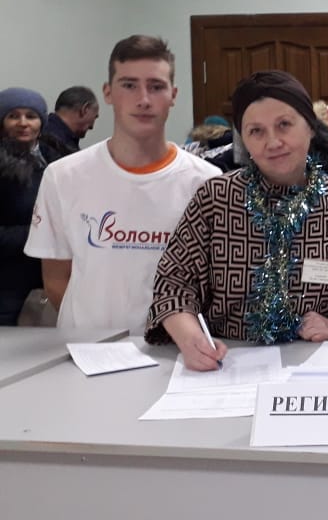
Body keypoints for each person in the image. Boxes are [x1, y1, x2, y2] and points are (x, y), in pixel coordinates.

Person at [146, 71, 328, 370]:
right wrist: (190, 338)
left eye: (284, 125)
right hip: (229, 364)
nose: (273, 142)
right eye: (256, 131)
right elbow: (173, 284)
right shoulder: (216, 198)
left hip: (319, 364)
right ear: (244, 140)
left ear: (310, 127)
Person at [24, 35, 219, 332]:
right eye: (129, 85)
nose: (143, 99)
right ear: (108, 92)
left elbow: (212, 283)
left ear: (173, 94)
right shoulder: (63, 176)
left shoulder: (207, 182)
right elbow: (55, 278)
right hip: (86, 350)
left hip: (174, 351)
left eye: (156, 87)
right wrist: (94, 339)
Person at [0, 88, 50, 325]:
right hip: (7, 289)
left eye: (31, 116)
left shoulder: (55, 160)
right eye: (13, 116)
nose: (23, 123)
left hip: (46, 282)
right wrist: (38, 233)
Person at [39, 86, 99, 161]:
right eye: (95, 117)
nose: (92, 127)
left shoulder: (39, 133)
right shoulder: (58, 147)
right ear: (85, 109)